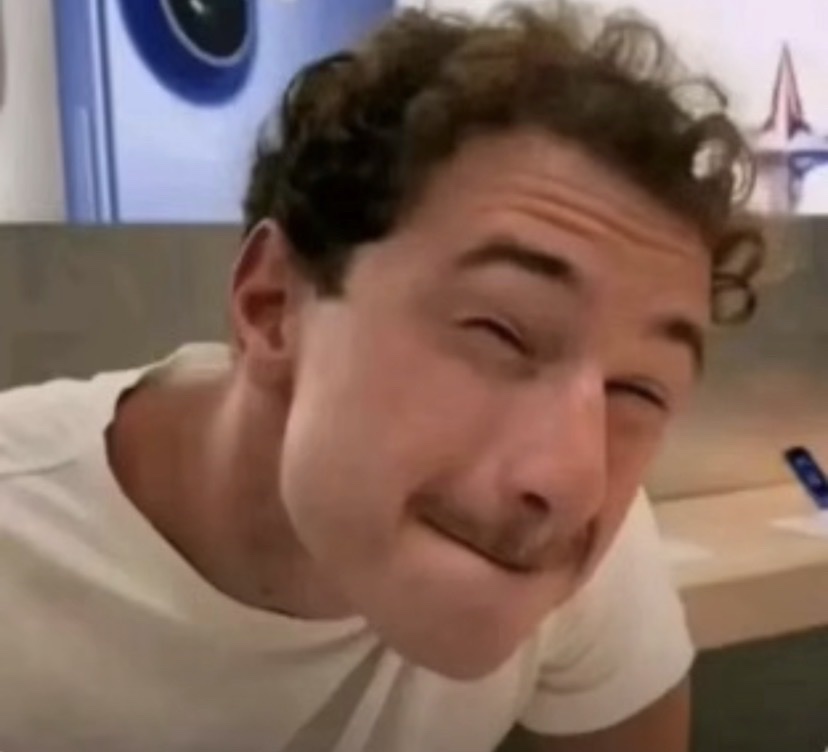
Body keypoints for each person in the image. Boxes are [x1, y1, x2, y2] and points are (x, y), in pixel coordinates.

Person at [0, 3, 763, 751]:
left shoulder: (586, 545)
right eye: (500, 331)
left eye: (639, 390)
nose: (571, 483)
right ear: (273, 305)